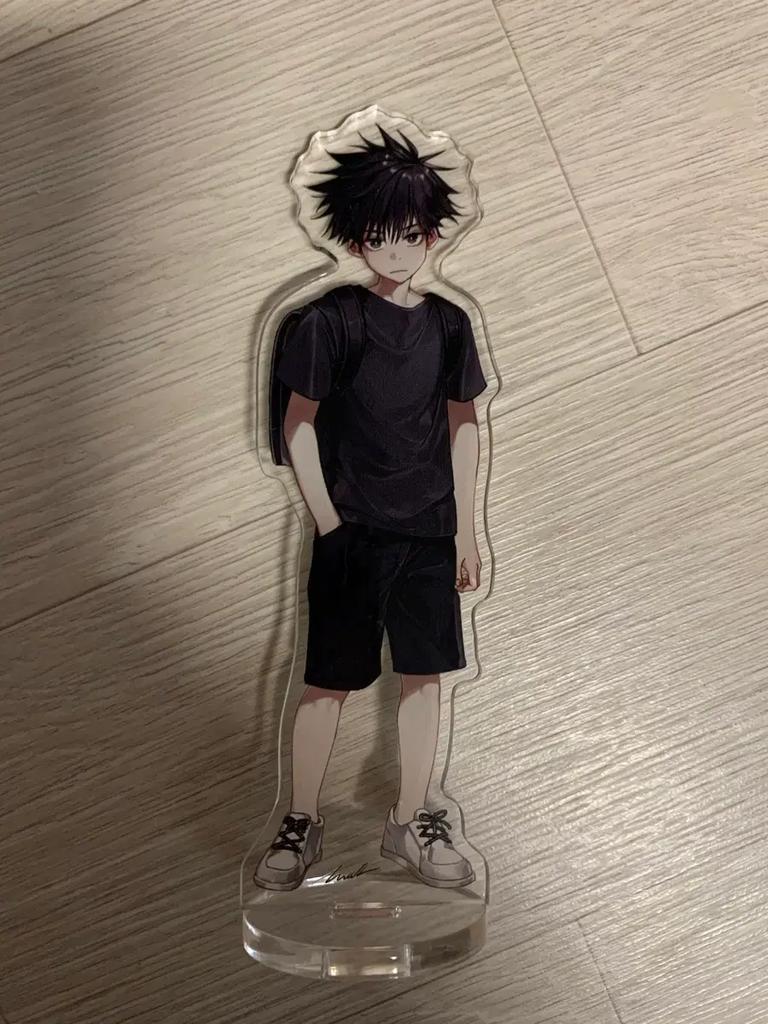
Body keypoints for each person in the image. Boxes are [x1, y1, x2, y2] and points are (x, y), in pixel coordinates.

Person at [254, 127, 486, 891]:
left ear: (431, 236)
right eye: (380, 235)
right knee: (326, 681)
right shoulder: (330, 320)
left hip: (429, 533)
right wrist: (329, 521)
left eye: (410, 234)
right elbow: (298, 424)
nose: (397, 250)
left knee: (425, 678)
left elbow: (463, 426)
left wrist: (467, 531)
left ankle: (412, 820)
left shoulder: (449, 324)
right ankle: (300, 820)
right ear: (356, 240)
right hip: (351, 532)